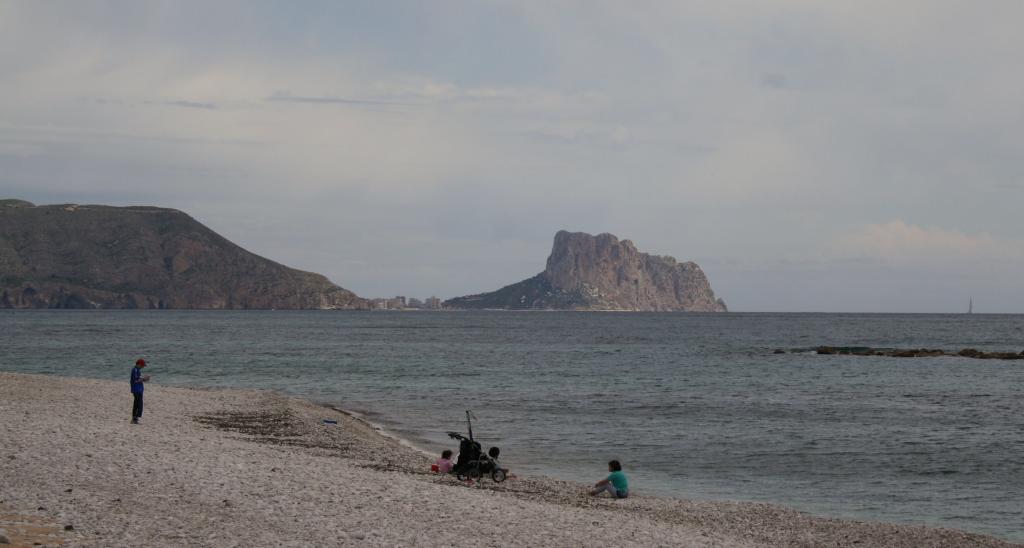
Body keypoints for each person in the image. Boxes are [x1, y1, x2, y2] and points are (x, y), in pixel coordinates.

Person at [130, 358, 151, 424]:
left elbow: (138, 379)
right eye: (142, 365)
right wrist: (144, 379)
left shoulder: (137, 370)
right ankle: (135, 419)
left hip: (138, 389)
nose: (142, 367)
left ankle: (134, 419)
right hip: (137, 389)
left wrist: (144, 379)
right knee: (138, 404)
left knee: (137, 404)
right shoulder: (135, 370)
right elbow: (135, 380)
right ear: (139, 364)